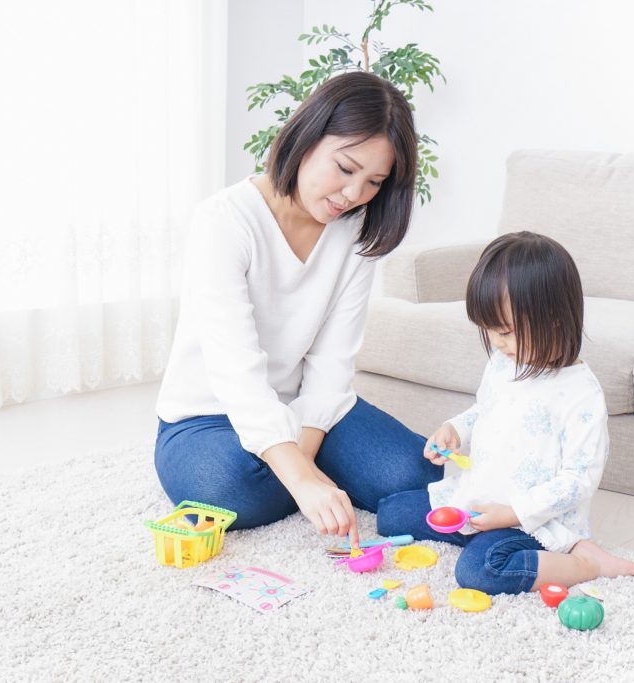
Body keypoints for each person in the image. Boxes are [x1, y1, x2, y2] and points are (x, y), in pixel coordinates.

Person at [155, 71, 440, 546]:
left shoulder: (355, 230)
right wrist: (302, 479)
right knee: (234, 490)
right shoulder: (224, 221)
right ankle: (309, 474)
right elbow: (235, 371)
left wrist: (301, 462)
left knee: (420, 474)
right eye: (345, 169)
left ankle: (303, 470)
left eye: (374, 182)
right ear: (307, 136)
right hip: (208, 416)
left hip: (305, 409)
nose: (353, 195)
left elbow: (332, 363)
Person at [377, 231, 634, 594]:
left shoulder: (580, 394)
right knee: (390, 514)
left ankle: (585, 561)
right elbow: (485, 410)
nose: (496, 341)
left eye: (505, 331)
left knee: (480, 572)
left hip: (533, 522)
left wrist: (514, 514)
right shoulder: (503, 362)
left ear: (553, 318)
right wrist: (455, 429)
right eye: (489, 330)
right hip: (479, 500)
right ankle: (477, 536)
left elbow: (578, 481)